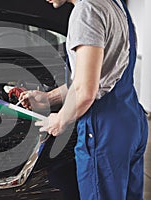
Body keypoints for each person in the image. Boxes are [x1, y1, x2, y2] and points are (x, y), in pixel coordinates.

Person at [19, 0, 149, 199]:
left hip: (102, 128)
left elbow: (85, 91)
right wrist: (48, 98)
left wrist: (59, 119)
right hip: (131, 120)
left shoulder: (86, 11)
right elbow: (98, 76)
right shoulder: (114, 4)